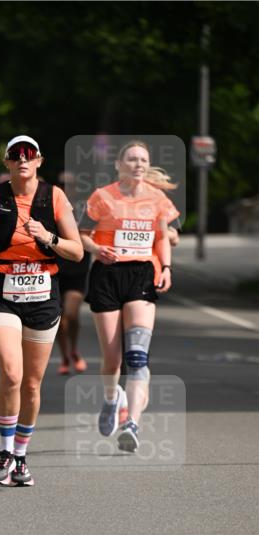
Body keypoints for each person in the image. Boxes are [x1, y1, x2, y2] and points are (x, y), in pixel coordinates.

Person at [0, 135, 83, 486]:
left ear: (39, 161)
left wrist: (48, 238)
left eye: (29, 155)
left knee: (32, 384)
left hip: (43, 295)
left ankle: (20, 456)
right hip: (2, 292)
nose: (22, 160)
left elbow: (76, 252)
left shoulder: (54, 197)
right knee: (12, 374)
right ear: (6, 163)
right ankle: (3, 450)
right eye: (15, 155)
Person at [79, 140, 178, 452]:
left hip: (141, 275)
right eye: (132, 159)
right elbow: (81, 235)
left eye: (143, 160)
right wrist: (96, 248)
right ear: (119, 166)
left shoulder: (157, 198)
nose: (138, 165)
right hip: (107, 275)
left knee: (137, 357)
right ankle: (111, 399)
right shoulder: (102, 197)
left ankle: (132, 422)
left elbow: (162, 236)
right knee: (112, 360)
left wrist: (166, 267)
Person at [54, 170, 90, 375]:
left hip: (78, 269)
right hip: (56, 270)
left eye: (71, 184)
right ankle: (65, 355)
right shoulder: (52, 206)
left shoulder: (85, 208)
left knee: (71, 314)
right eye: (63, 183)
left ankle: (74, 348)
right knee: (59, 317)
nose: (68, 188)